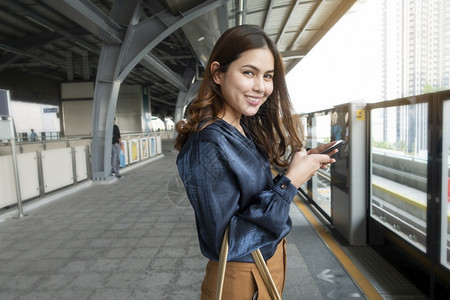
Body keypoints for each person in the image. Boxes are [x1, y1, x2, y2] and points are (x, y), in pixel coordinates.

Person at [175, 25, 338, 299]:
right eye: (249, 72)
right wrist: (290, 182)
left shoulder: (242, 128)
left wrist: (295, 170)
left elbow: (249, 201)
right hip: (241, 276)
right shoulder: (208, 142)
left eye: (268, 76)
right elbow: (229, 239)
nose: (261, 87)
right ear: (217, 73)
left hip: (266, 265)